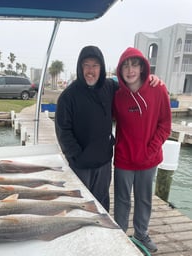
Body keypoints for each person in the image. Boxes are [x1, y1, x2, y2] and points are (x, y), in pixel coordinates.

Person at [55, 45, 160, 212]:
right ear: (80, 67)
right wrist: (77, 156)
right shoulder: (68, 96)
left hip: (104, 162)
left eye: (95, 65)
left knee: (102, 203)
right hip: (81, 164)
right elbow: (63, 131)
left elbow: (131, 82)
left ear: (101, 68)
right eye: (86, 65)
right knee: (79, 205)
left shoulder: (109, 86)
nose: (90, 70)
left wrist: (150, 78)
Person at [113, 47, 171, 252]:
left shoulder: (158, 89)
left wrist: (151, 149)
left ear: (142, 67)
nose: (130, 70)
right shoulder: (117, 95)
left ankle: (141, 234)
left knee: (144, 199)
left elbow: (165, 125)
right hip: (123, 159)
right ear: (120, 70)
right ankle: (119, 235)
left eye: (134, 64)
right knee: (121, 200)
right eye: (125, 66)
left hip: (149, 159)